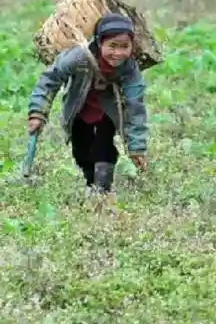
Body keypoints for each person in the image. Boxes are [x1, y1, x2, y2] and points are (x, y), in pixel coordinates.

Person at [27, 12, 149, 195]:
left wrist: (136, 146)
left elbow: (135, 106)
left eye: (125, 46)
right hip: (79, 109)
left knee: (104, 147)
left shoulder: (129, 68)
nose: (118, 53)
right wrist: (38, 112)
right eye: (112, 46)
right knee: (81, 152)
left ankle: (102, 190)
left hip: (107, 111)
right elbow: (50, 80)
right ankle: (91, 182)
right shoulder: (78, 57)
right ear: (99, 43)